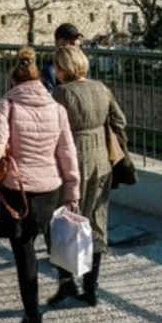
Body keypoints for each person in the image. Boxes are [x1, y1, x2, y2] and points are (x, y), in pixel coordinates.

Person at [0, 47, 80, 323]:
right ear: (39, 80)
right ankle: (66, 281)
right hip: (50, 188)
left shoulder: (8, 104)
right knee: (54, 242)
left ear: (13, 81)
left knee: (25, 260)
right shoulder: (57, 109)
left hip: (19, 192)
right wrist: (72, 189)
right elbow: (67, 153)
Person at [50, 45, 126, 308]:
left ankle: (67, 282)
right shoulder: (101, 88)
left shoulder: (61, 93)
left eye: (56, 66)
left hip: (73, 158)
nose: (54, 71)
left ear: (63, 68)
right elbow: (120, 120)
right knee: (96, 219)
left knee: (66, 220)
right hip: (101, 160)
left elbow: (52, 128)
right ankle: (91, 289)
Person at [40, 23, 83, 93]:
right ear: (57, 43)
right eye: (68, 40)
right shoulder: (50, 70)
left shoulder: (81, 66)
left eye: (75, 39)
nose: (74, 43)